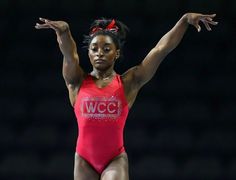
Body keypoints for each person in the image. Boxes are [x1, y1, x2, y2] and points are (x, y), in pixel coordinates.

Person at [35, 13, 217, 180]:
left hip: (114, 159)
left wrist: (184, 21)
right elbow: (69, 55)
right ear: (88, 53)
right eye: (94, 48)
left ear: (117, 53)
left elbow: (161, 50)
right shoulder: (77, 82)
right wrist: (64, 32)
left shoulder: (129, 82)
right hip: (83, 160)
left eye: (107, 49)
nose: (99, 53)